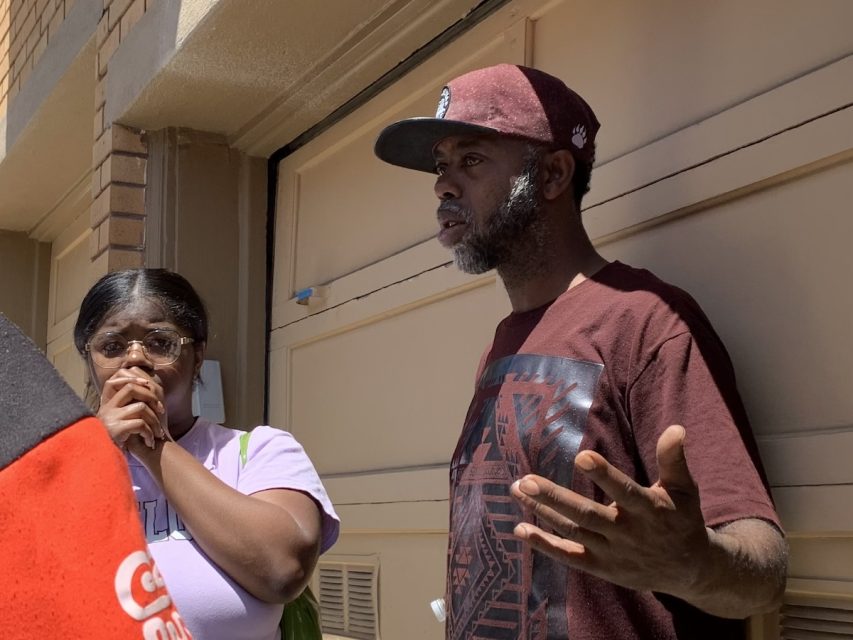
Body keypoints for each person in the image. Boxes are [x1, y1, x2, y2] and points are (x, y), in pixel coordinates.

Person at [374, 64, 786, 639]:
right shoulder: (506, 341)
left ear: (552, 174)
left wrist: (695, 566)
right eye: (442, 167)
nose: (444, 185)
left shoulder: (646, 321)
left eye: (470, 160)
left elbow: (762, 572)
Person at [73, 268, 339, 640]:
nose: (136, 360)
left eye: (159, 342)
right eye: (113, 346)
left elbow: (283, 570)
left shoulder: (260, 451)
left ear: (197, 355)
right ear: (90, 361)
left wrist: (154, 445)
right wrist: (91, 451)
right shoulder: (61, 464)